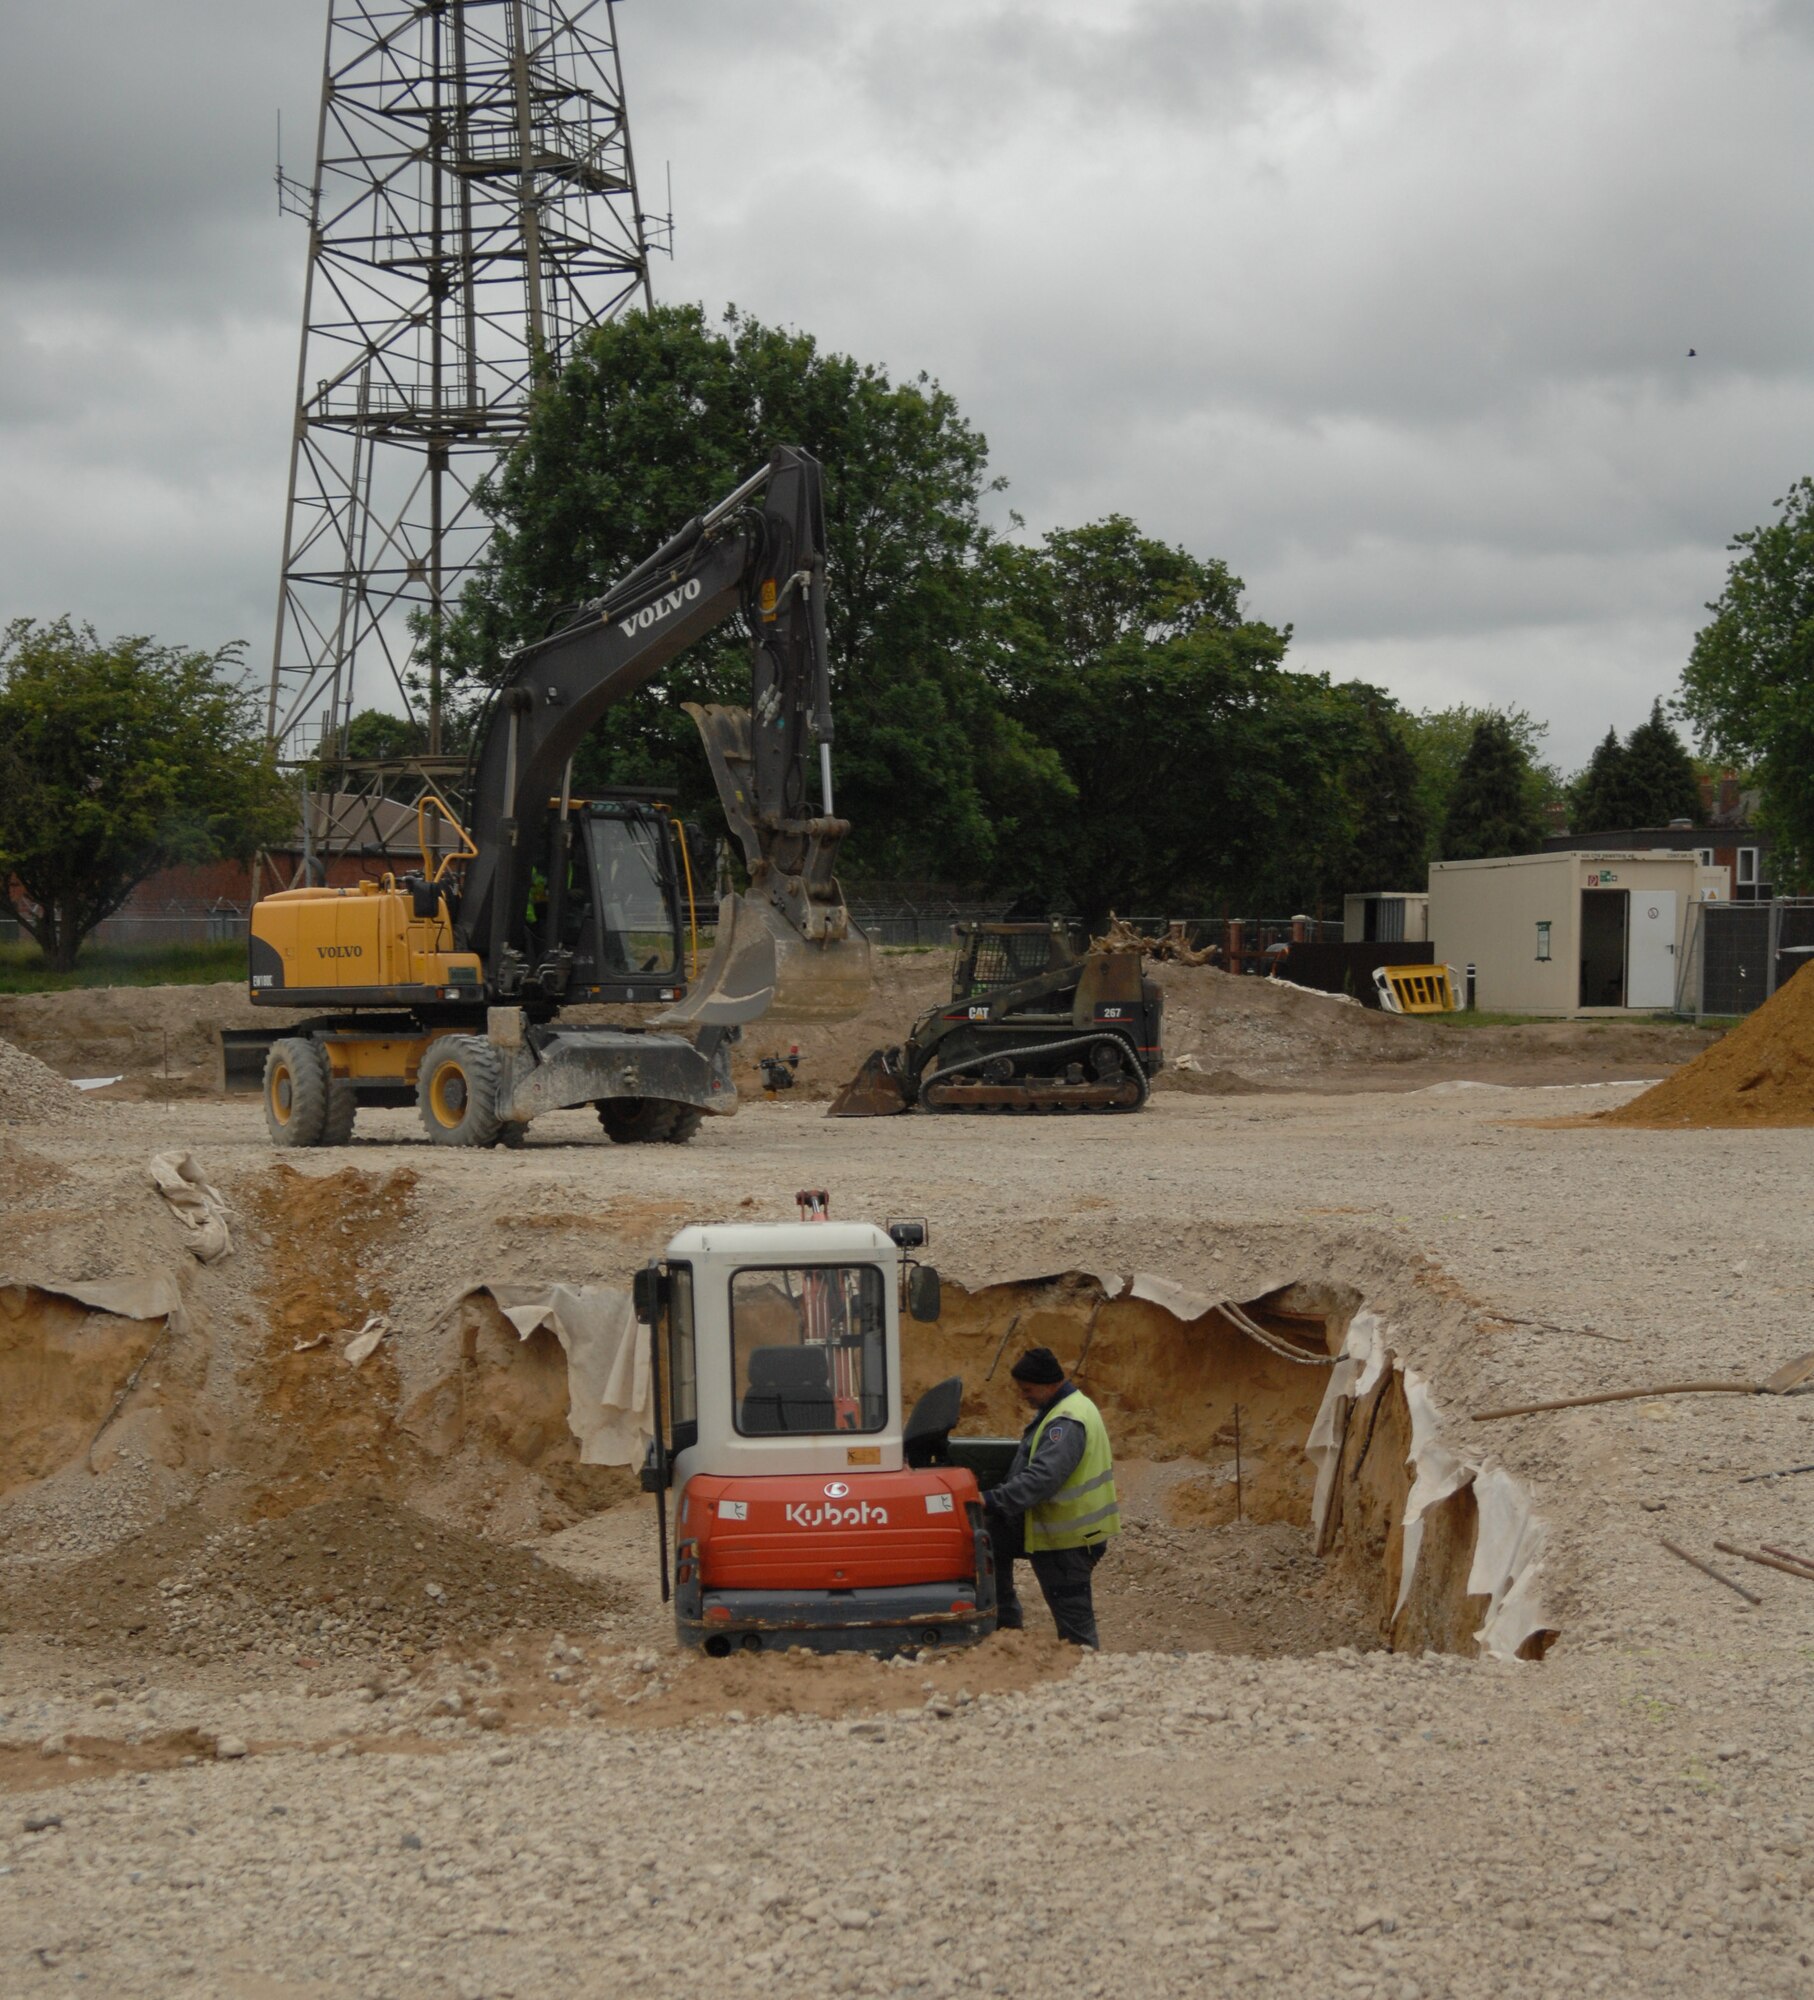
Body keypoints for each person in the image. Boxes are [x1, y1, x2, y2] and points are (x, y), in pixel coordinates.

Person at [984, 1346, 1120, 1647]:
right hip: (1057, 1534)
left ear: (1047, 1384)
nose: (1024, 1395)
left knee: (1075, 1626)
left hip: (1069, 1541)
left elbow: (1042, 1478)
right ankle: (1006, 1633)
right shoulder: (1062, 1410)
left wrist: (994, 1499)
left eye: (1028, 1389)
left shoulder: (1066, 1422)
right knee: (989, 1542)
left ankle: (1086, 1676)